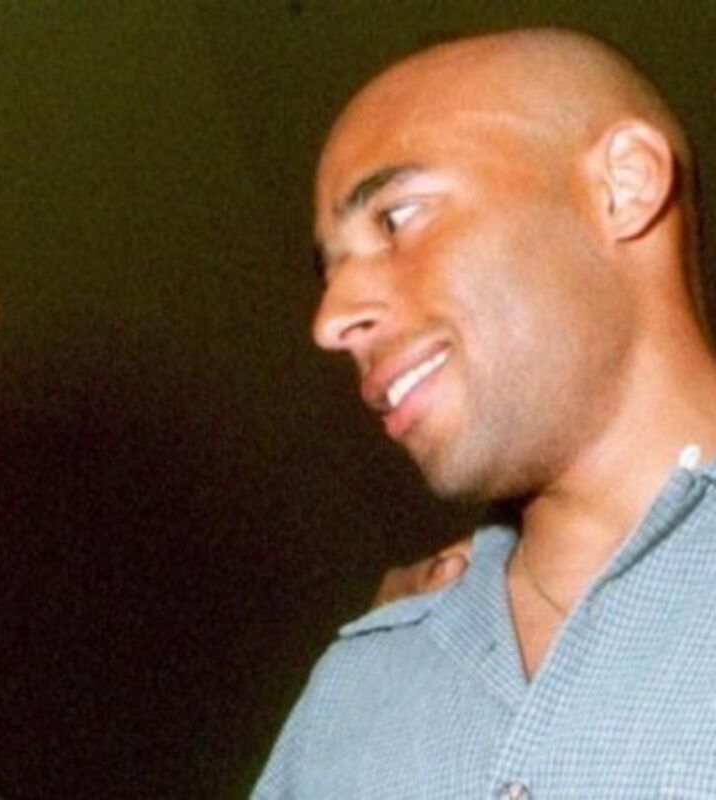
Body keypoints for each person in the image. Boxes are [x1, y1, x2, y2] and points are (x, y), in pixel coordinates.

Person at [255, 27, 716, 797]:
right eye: (328, 273)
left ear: (623, 185)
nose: (330, 321)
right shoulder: (349, 700)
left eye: (396, 218)